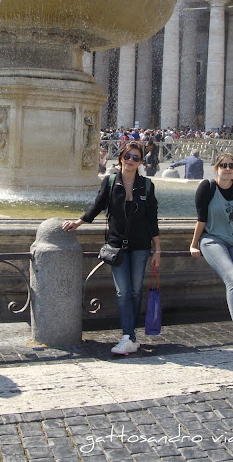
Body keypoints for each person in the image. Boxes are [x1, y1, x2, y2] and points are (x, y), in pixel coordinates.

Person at [63, 141, 161, 355]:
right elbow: (97, 205)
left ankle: (131, 337)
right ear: (121, 158)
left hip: (141, 246)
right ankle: (128, 336)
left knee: (135, 292)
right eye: (128, 156)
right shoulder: (109, 182)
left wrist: (158, 249)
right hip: (116, 245)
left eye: (136, 158)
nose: (131, 161)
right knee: (123, 291)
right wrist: (78, 223)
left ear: (141, 162)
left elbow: (152, 219)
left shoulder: (146, 185)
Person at [189, 154, 233, 353]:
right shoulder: (207, 187)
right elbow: (201, 219)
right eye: (223, 165)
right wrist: (194, 244)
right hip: (211, 239)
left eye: (231, 165)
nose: (227, 168)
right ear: (216, 167)